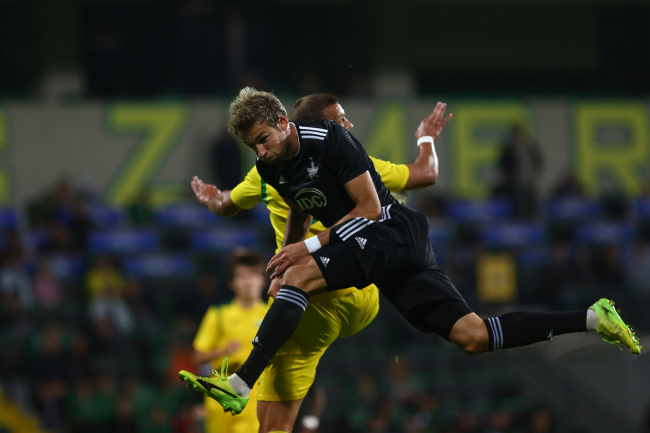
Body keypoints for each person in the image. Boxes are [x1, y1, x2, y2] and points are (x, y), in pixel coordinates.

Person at [182, 88, 641, 422]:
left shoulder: (333, 141)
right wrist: (287, 253)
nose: (260, 150)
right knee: (473, 336)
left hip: (389, 232)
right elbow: (303, 206)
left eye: (263, 138)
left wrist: (304, 250)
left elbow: (370, 209)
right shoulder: (269, 165)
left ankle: (240, 383)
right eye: (253, 145)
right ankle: (592, 318)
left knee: (300, 276)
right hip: (385, 248)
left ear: (284, 121)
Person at [184, 93, 451, 433]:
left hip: (306, 298)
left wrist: (212, 198)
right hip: (361, 294)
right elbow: (426, 173)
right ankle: (303, 408)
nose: (345, 127)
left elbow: (226, 205)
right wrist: (426, 139)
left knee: (273, 419)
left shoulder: (262, 175)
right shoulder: (359, 164)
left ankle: (245, 384)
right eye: (337, 122)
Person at [190, 249, 269, 433]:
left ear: (262, 281)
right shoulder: (218, 314)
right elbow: (197, 358)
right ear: (232, 283)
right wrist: (223, 351)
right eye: (242, 277)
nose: (248, 282)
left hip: (255, 400)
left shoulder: (271, 315)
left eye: (253, 276)